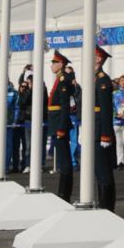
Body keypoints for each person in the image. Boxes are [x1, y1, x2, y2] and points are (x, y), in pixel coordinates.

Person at [47, 51, 78, 202]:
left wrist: (61, 127)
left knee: (65, 161)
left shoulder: (63, 80)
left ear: (61, 64)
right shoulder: (59, 79)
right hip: (56, 121)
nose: (51, 65)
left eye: (54, 62)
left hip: (60, 122)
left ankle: (64, 193)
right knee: (62, 159)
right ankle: (62, 192)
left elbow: (65, 106)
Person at [90, 45, 117, 211]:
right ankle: (103, 206)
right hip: (94, 127)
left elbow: (106, 109)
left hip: (100, 130)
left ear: (98, 59)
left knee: (103, 171)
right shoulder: (94, 78)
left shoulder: (102, 79)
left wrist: (106, 135)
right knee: (99, 171)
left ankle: (107, 208)